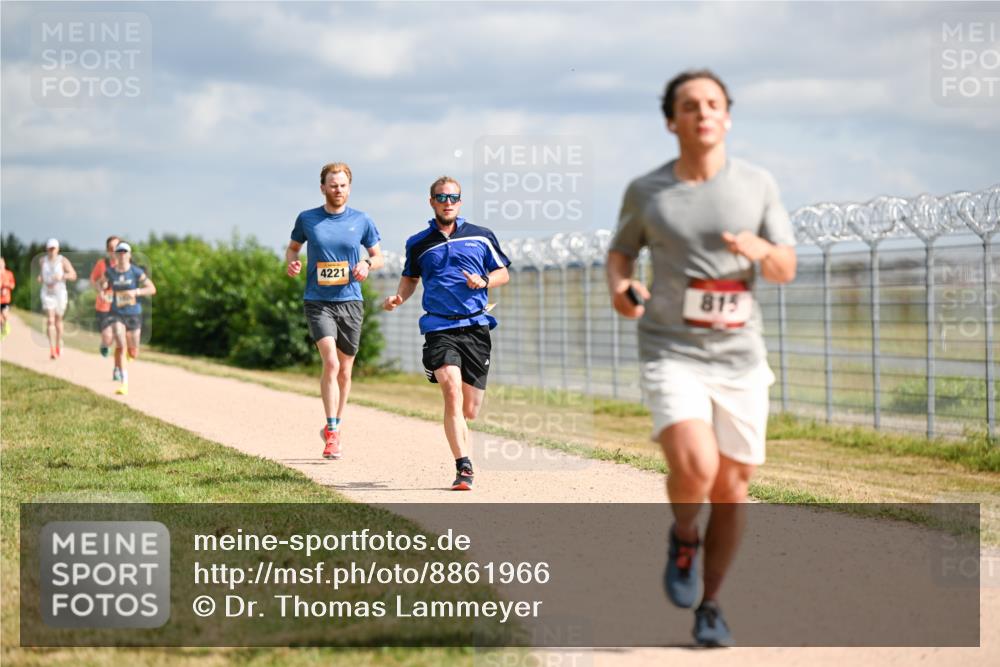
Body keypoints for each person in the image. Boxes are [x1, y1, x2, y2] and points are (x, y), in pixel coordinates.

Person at [606, 69, 797, 646]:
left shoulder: (757, 184)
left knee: (733, 487)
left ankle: (710, 605)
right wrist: (621, 289)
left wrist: (760, 249)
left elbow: (785, 267)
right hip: (671, 348)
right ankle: (685, 534)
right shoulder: (648, 191)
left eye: (713, 103)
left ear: (728, 116)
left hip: (740, 355)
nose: (703, 112)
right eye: (690, 105)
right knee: (696, 466)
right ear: (672, 121)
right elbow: (621, 254)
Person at [382, 176, 511, 491]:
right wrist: (399, 297)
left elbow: (502, 272)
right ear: (432, 202)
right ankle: (463, 467)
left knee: (470, 410)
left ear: (460, 202)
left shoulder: (481, 236)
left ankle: (462, 444)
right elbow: (410, 278)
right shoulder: (418, 243)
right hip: (439, 327)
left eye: (453, 197)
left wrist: (484, 281)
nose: (447, 202)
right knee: (451, 390)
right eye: (441, 197)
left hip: (476, 326)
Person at [286, 162, 384, 460]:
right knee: (330, 362)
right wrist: (292, 262)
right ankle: (331, 431)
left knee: (344, 370)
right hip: (318, 301)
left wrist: (366, 264)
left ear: (349, 188)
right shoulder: (308, 219)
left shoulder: (362, 220)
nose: (338, 190)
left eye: (342, 185)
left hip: (351, 301)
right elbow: (293, 248)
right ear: (323, 188)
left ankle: (337, 425)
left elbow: (378, 256)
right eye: (333, 185)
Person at [105, 242, 156, 395]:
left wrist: (136, 292)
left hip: (133, 312)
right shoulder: (110, 272)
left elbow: (152, 289)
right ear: (115, 255)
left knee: (133, 350)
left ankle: (132, 351)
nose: (122, 254)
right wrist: (103, 292)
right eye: (119, 252)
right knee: (120, 345)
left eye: (124, 252)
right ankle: (124, 383)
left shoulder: (136, 271)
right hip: (116, 313)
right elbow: (102, 285)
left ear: (129, 255)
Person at [38, 238, 77, 359]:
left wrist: (62, 276)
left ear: (58, 249)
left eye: (53, 248)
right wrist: (40, 278)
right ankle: (52, 349)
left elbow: (73, 275)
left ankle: (58, 343)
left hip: (60, 293)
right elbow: (42, 275)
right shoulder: (42, 261)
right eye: (49, 249)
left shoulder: (63, 261)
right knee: (50, 320)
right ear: (47, 249)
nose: (51, 251)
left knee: (58, 320)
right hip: (47, 293)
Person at [90, 235, 121, 375]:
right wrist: (100, 290)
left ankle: (117, 369)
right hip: (104, 305)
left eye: (116, 247)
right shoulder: (102, 264)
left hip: (120, 306)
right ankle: (105, 344)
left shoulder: (126, 265)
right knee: (108, 337)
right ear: (107, 250)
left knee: (119, 338)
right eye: (111, 248)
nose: (114, 250)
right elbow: (93, 280)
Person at [0, 257, 15, 339]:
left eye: (1, 263)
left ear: (4, 264)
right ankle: (2, 330)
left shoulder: (9, 274)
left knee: (5, 315)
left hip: (5, 299)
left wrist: (6, 285)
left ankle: (6, 326)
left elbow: (13, 286)